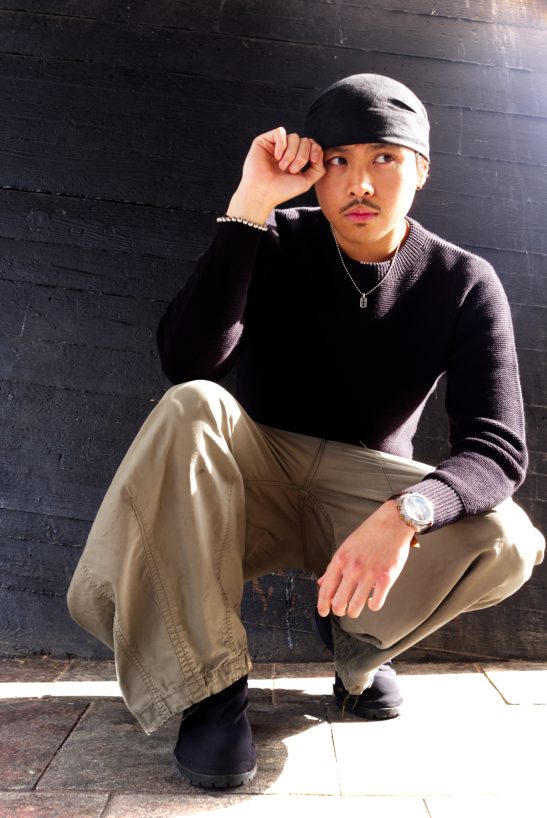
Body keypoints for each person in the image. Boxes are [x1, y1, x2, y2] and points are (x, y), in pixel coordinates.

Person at [67, 74, 545, 789]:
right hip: (250, 478)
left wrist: (407, 513)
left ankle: (355, 647)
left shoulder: (462, 280)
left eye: (384, 158)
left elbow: (496, 447)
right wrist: (249, 206)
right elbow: (186, 360)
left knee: (508, 539)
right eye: (339, 160)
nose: (360, 183)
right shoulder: (272, 238)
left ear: (420, 169)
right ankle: (211, 689)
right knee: (193, 405)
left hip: (363, 497)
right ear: (312, 168)